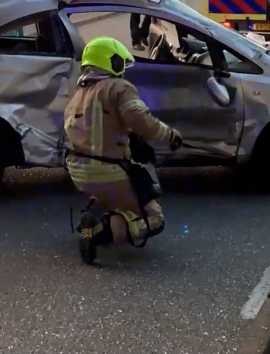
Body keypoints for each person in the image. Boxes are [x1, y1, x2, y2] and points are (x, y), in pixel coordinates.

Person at [65, 36, 183, 264]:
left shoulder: (79, 94)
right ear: (112, 61)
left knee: (110, 200)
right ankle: (95, 234)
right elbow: (142, 121)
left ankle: (90, 224)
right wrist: (170, 136)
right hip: (110, 170)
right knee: (153, 217)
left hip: (78, 171)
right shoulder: (118, 87)